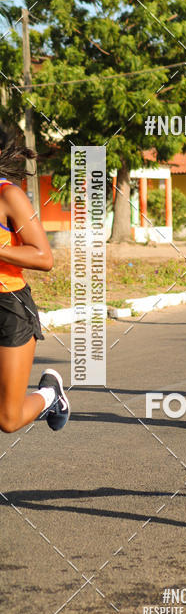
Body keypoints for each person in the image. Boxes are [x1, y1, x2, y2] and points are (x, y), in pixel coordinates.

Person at [0, 127, 71, 434]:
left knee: (8, 419)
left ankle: (50, 395)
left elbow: (44, 257)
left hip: (9, 307)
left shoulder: (9, 195)